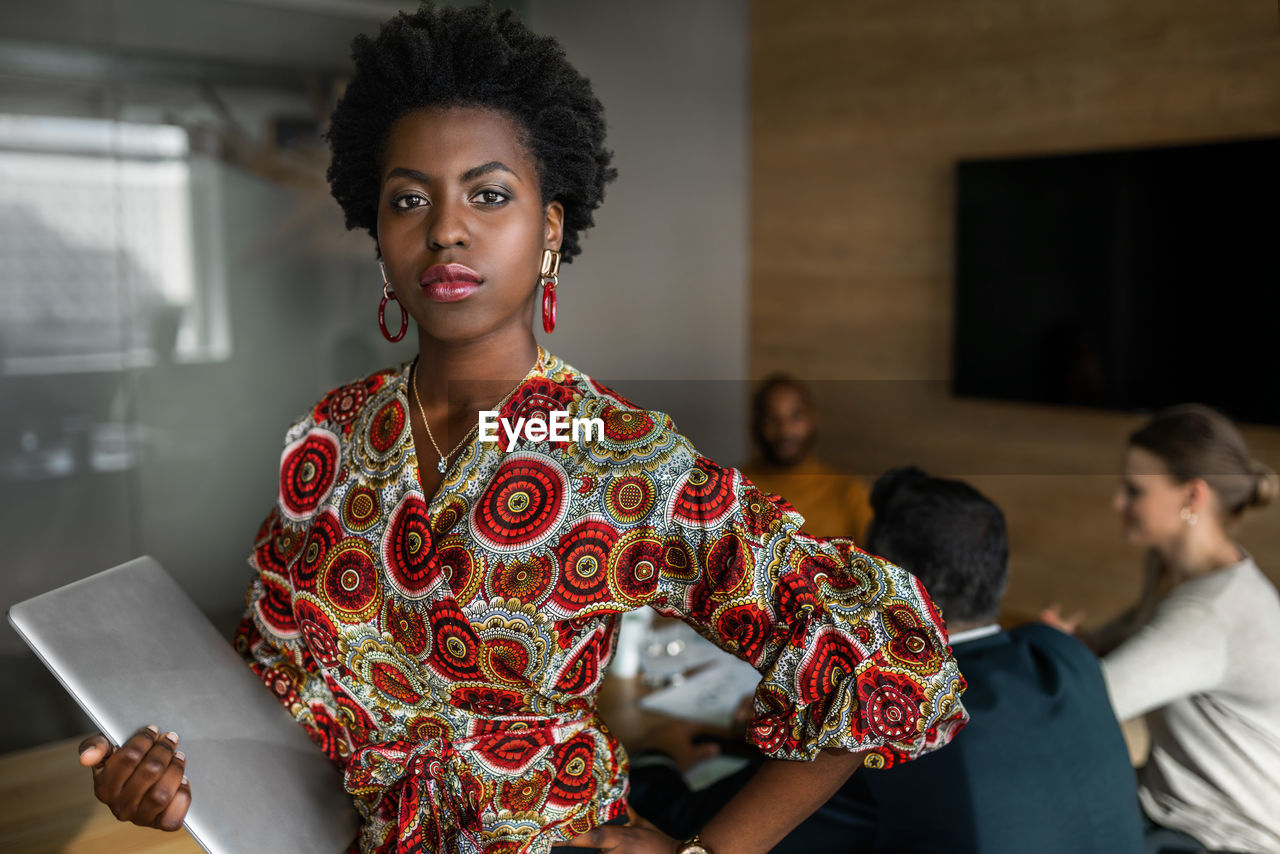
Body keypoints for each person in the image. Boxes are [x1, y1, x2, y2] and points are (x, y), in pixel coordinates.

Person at [74, 6, 968, 854]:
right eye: (409, 200)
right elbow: (265, 679)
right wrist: (172, 773)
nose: (447, 231)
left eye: (488, 195)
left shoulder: (617, 456)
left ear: (548, 230)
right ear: (378, 232)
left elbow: (881, 647)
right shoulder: (331, 439)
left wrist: (709, 849)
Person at [630, 467, 1145, 854]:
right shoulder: (1061, 654)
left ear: (890, 588)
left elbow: (697, 827)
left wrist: (659, 755)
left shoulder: (891, 722)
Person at [1047, 405, 1280, 854]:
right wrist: (1080, 642)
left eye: (1134, 491)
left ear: (1193, 497)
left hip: (1222, 838)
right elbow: (1133, 630)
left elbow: (1089, 707)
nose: (1118, 503)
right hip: (1169, 806)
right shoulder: (1175, 570)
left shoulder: (1212, 612)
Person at [742, 374, 872, 541]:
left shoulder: (848, 493)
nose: (785, 430)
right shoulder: (733, 490)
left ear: (813, 419)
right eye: (772, 419)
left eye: (796, 417)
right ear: (756, 425)